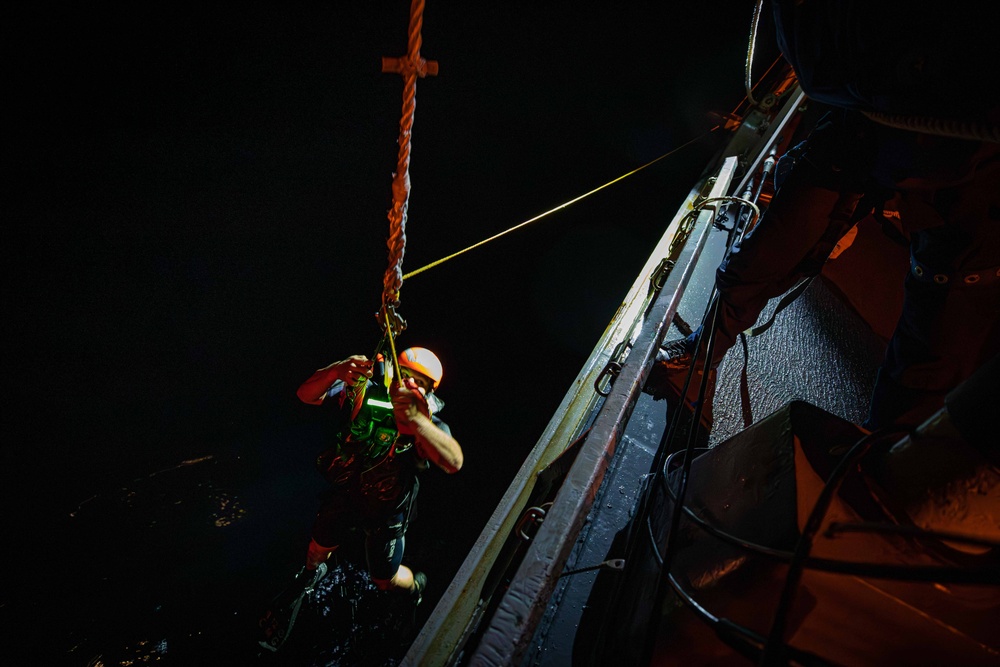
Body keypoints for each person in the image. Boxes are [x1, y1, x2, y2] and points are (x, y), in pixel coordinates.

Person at [646, 1, 1000, 433]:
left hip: (978, 179)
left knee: (943, 323)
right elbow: (817, 63)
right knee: (775, 242)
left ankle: (873, 463)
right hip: (867, 121)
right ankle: (701, 357)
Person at [293, 346, 463, 602]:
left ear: (428, 391)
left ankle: (414, 586)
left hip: (388, 509)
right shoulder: (364, 390)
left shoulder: (427, 422)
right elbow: (305, 395)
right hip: (348, 490)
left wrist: (416, 421)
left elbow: (453, 461)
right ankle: (310, 574)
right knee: (316, 551)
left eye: (419, 382)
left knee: (384, 580)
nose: (409, 382)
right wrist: (335, 371)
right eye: (404, 374)